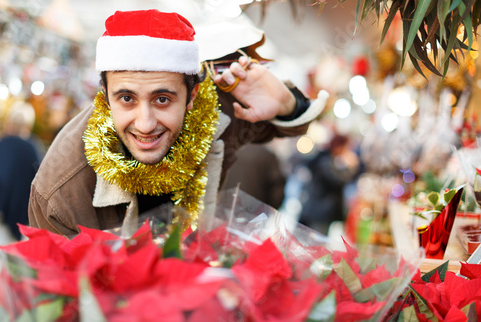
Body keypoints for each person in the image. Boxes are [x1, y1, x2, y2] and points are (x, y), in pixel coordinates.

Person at [28, 9, 328, 237]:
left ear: (192, 97)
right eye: (127, 99)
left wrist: (286, 103)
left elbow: (287, 124)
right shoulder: (60, 193)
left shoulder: (214, 113)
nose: (145, 124)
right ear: (105, 98)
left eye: (162, 99)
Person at [0, 101, 40, 240]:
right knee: (4, 248)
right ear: (28, 125)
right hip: (15, 207)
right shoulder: (31, 148)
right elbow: (38, 180)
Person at [298, 134, 360, 235]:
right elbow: (336, 180)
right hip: (320, 211)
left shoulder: (327, 159)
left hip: (319, 210)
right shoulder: (325, 160)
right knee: (315, 244)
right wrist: (350, 168)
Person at [223, 143, 286, 209]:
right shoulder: (266, 154)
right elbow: (277, 191)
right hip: (253, 211)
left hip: (221, 209)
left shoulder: (225, 150)